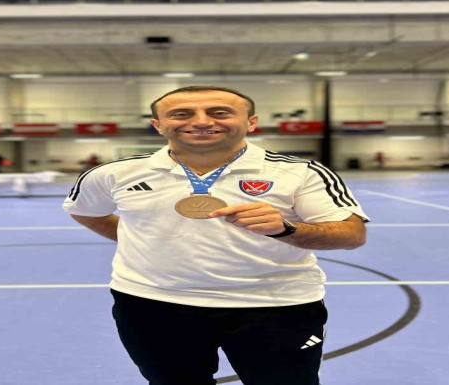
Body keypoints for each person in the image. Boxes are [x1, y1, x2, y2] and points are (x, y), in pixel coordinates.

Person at [62, 86, 368, 385]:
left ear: (251, 122)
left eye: (219, 113)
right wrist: (140, 239)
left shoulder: (301, 173)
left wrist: (286, 229)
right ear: (158, 125)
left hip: (276, 305)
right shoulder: (113, 173)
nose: (201, 121)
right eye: (181, 114)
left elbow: (351, 234)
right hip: (152, 303)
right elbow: (86, 211)